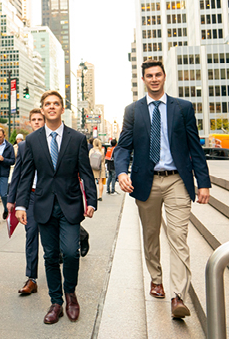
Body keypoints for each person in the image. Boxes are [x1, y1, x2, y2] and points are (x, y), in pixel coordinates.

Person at [114, 59, 211, 319]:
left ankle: (178, 295)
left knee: (179, 237)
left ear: (164, 77)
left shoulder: (183, 108)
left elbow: (194, 148)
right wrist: (121, 171)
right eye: (149, 75)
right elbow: (123, 147)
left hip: (177, 180)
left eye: (158, 74)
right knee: (151, 234)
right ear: (143, 79)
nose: (154, 79)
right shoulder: (133, 110)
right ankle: (156, 278)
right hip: (147, 181)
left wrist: (203, 182)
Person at [15, 90, 97, 325]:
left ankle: (70, 294)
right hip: (43, 206)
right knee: (50, 256)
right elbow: (25, 175)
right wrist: (20, 204)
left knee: (71, 253)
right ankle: (56, 302)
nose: (51, 107)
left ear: (62, 109)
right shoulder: (32, 141)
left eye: (56, 104)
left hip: (70, 205)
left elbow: (86, 173)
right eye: (47, 104)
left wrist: (91, 200)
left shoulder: (77, 139)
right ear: (42, 109)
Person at [7, 108, 44, 295]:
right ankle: (32, 278)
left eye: (40, 119)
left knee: (50, 239)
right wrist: (11, 200)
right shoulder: (23, 146)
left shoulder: (52, 143)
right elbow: (18, 174)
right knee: (31, 236)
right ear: (30, 122)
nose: (36, 122)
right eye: (34, 119)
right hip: (30, 197)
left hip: (50, 197)